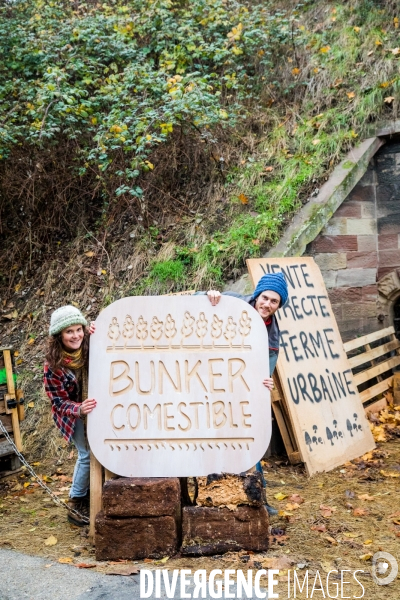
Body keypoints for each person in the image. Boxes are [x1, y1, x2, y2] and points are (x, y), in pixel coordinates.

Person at [202, 271, 289, 515]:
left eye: (274, 301)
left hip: (244, 389)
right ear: (257, 295)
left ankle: (257, 498)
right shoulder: (233, 303)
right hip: (216, 380)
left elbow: (267, 367)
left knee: (250, 441)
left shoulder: (272, 331)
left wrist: (265, 383)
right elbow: (195, 302)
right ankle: (213, 495)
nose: (267, 304)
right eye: (265, 298)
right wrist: (209, 296)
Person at [44, 305, 97, 526]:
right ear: (59, 335)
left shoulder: (87, 343)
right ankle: (75, 503)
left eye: (79, 329)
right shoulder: (53, 366)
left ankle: (90, 494)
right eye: (69, 331)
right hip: (70, 414)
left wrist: (98, 330)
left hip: (92, 405)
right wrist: (78, 409)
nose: (76, 335)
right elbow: (58, 402)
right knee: (85, 453)